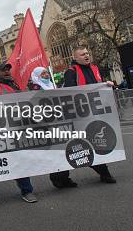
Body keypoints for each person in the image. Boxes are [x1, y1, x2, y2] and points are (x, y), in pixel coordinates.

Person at [49, 47, 117, 188]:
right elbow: (70, 93)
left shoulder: (94, 69)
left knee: (94, 143)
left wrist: (107, 84)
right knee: (73, 147)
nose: (86, 56)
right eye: (82, 54)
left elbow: (98, 86)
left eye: (87, 53)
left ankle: (104, 173)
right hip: (78, 116)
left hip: (94, 114)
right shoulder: (71, 72)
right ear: (76, 57)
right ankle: (59, 177)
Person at [0, 63, 38, 203]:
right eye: (4, 70)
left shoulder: (14, 84)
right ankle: (26, 190)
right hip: (9, 128)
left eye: (8, 69)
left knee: (26, 156)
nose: (7, 71)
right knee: (20, 158)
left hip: (22, 125)